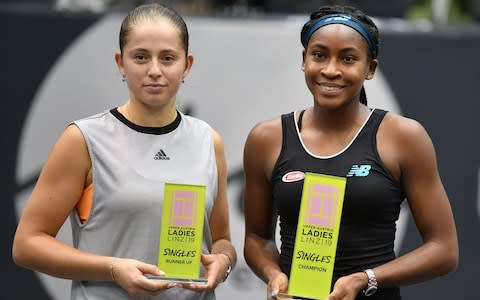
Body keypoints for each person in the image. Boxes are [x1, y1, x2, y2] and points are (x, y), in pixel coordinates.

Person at [12, 3, 236, 299]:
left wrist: (224, 261)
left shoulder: (208, 140)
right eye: (141, 57)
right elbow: (27, 244)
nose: (154, 70)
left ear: (187, 64)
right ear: (120, 63)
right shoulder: (83, 139)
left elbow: (221, 240)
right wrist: (113, 269)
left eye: (168, 58)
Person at [242, 5, 458, 300]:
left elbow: (444, 250)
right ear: (304, 60)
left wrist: (365, 279)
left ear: (370, 69)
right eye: (319, 55)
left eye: (348, 58)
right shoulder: (266, 139)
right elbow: (257, 238)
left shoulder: (404, 137)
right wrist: (274, 274)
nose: (331, 70)